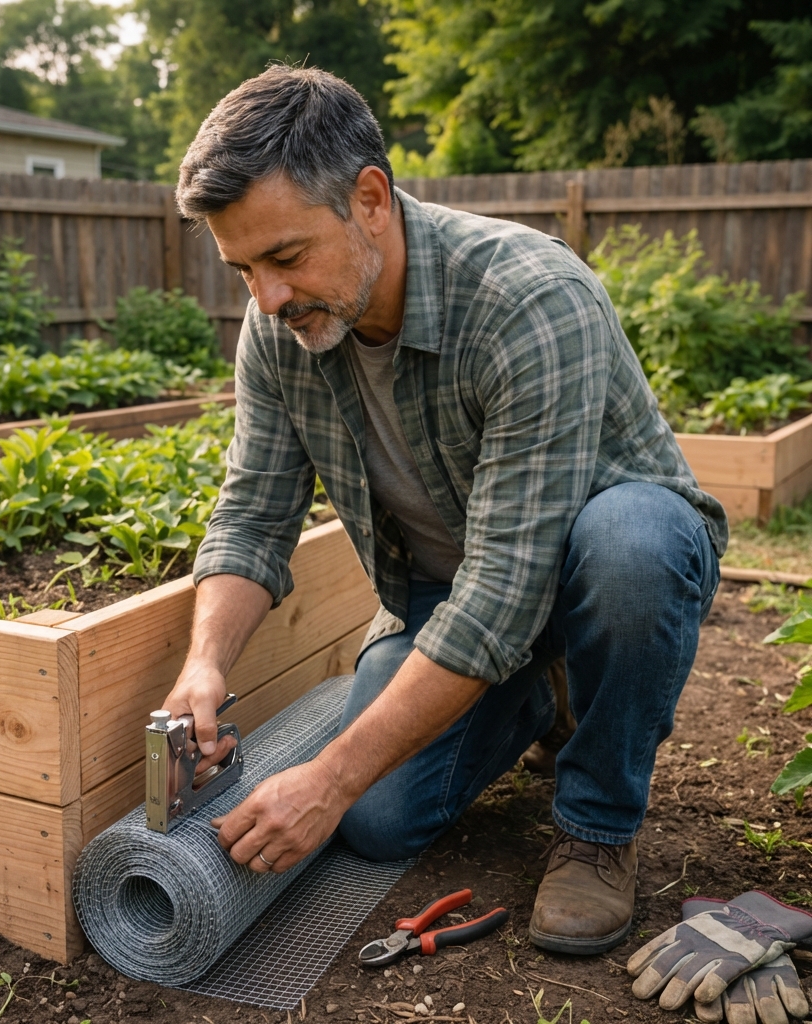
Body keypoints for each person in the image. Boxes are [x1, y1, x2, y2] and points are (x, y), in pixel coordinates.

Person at [160, 64, 726, 955]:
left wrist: (329, 777)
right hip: (449, 590)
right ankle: (546, 698)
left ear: (371, 199)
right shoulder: (277, 332)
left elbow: (508, 586)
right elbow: (253, 516)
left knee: (633, 547)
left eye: (285, 257)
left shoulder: (528, 299)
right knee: (378, 820)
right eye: (242, 269)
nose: (265, 298)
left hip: (592, 571)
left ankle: (597, 828)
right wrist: (205, 666)